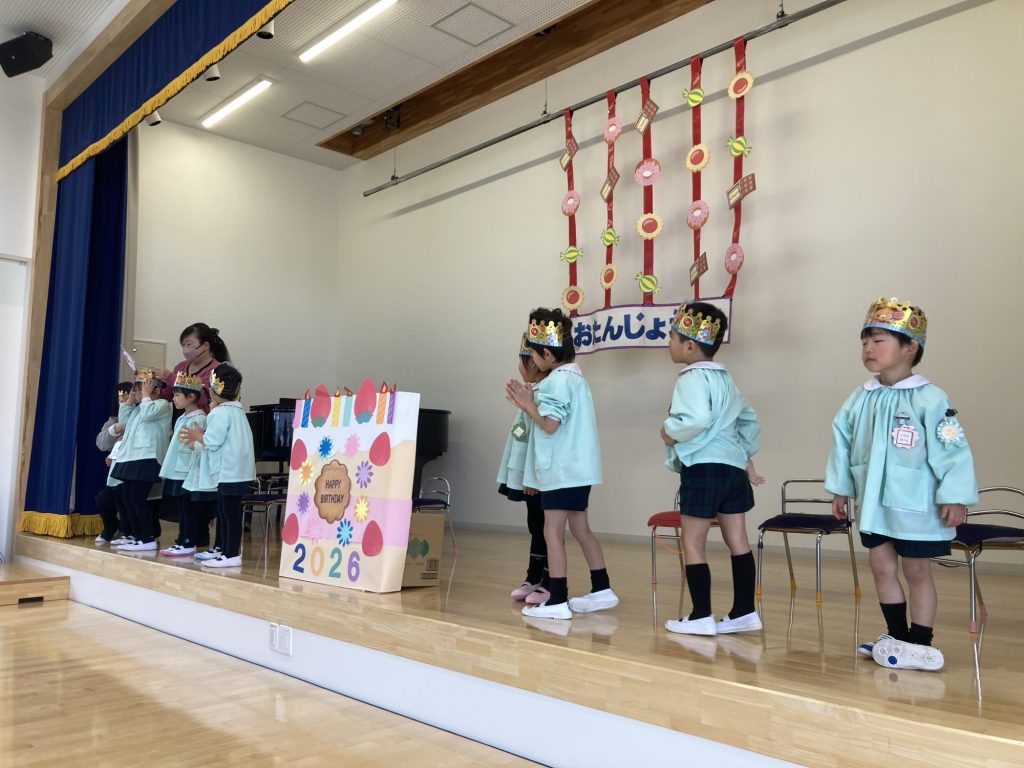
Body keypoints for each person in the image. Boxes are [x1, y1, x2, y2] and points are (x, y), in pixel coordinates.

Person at [826, 297, 977, 672]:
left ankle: (920, 642)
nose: (868, 348)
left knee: (916, 571)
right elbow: (842, 443)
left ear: (910, 347)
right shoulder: (860, 398)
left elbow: (951, 448)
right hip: (874, 504)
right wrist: (841, 487)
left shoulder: (930, 398)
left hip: (915, 506)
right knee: (880, 567)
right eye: (865, 342)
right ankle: (896, 636)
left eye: (879, 341)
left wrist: (954, 495)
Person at [659, 302, 764, 637]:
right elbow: (750, 421)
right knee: (739, 541)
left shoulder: (691, 378)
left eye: (672, 337)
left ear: (690, 345)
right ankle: (744, 612)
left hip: (703, 468)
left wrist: (670, 431)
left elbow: (696, 418)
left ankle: (701, 615)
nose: (668, 343)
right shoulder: (727, 380)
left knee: (692, 542)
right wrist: (742, 452)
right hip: (732, 470)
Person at [505, 308, 617, 620]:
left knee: (552, 530)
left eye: (534, 354)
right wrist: (529, 402)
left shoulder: (556, 381)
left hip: (561, 471)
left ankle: (557, 599)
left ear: (545, 353)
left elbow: (550, 424)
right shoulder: (576, 379)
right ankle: (602, 588)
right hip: (580, 472)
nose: (532, 361)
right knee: (581, 528)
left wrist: (528, 405)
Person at [182, 364, 256, 568]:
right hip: (238, 471)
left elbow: (213, 441)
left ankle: (231, 554)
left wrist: (198, 436)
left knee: (229, 514)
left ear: (215, 389)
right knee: (227, 513)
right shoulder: (237, 411)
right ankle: (224, 550)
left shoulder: (219, 413)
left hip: (228, 471)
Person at [498, 332, 550, 605]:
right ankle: (534, 576)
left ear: (531, 361)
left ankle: (549, 578)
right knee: (535, 524)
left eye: (521, 360)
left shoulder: (544, 393)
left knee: (545, 526)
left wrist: (533, 476)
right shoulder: (532, 391)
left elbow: (541, 437)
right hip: (529, 474)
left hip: (539, 475)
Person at [109, 368, 172, 551]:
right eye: (136, 390)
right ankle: (136, 535)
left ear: (155, 390)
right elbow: (123, 419)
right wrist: (130, 399)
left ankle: (147, 537)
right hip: (131, 457)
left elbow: (148, 414)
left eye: (142, 389)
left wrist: (145, 396)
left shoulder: (162, 405)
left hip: (148, 457)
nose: (138, 393)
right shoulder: (138, 408)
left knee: (138, 498)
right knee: (128, 498)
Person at [158, 372, 207, 557]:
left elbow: (197, 446)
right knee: (181, 508)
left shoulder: (199, 419)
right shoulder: (181, 418)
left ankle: (189, 542)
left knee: (189, 509)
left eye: (177, 395)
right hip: (177, 470)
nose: (173, 398)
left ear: (191, 396)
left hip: (188, 471)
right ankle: (181, 540)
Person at [155, 323, 230, 415]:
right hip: (180, 420)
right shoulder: (180, 367)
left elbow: (202, 398)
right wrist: (155, 386)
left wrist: (170, 377)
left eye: (189, 344)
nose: (185, 349)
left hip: (201, 421)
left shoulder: (218, 371)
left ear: (205, 345)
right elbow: (168, 396)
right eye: (183, 345)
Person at [95, 382, 133, 545]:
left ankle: (130, 532)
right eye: (121, 396)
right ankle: (111, 527)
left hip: (135, 472)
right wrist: (115, 428)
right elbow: (101, 443)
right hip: (117, 475)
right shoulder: (113, 420)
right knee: (103, 498)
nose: (124, 400)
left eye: (128, 395)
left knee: (129, 498)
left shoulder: (140, 415)